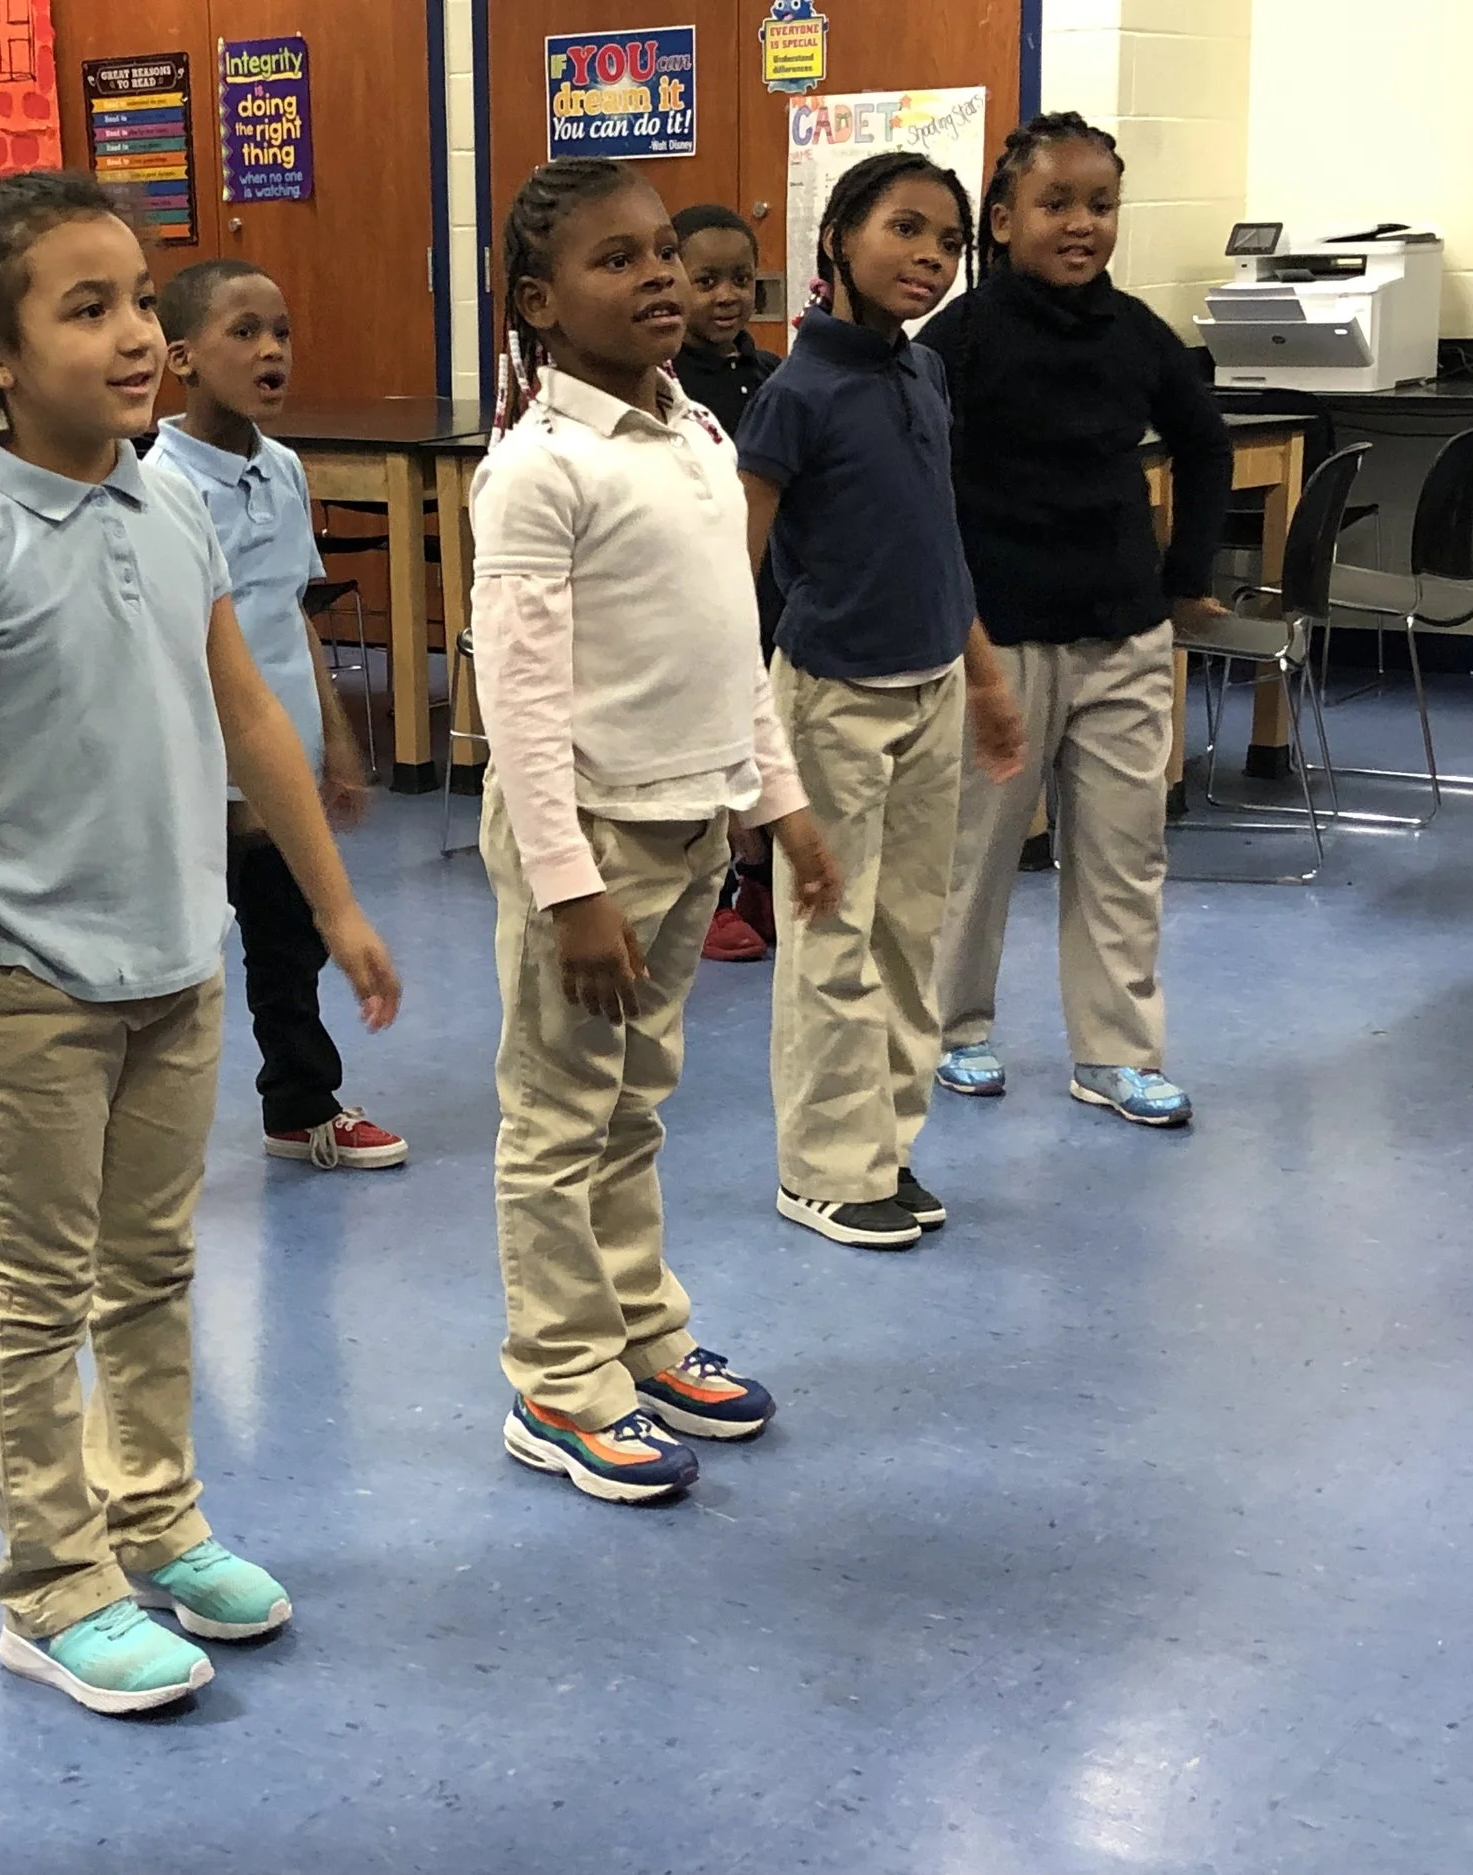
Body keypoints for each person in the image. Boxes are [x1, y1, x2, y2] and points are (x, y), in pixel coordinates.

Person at [0, 170, 400, 1715]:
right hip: (27, 980)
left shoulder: (175, 498)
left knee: (153, 1266)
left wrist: (335, 902)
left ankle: (156, 1518)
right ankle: (51, 1580)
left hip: (178, 960)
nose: (139, 333)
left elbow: (251, 711)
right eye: (90, 309)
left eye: (141, 298)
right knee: (38, 1286)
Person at [473, 158, 840, 1506]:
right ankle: (561, 1381)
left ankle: (641, 1330)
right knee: (560, 1115)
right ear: (538, 301)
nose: (659, 279)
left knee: (634, 1105)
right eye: (616, 260)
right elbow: (513, 701)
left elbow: (732, 646)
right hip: (593, 845)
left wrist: (781, 807)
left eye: (662, 256)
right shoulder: (539, 469)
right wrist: (570, 889)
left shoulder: (695, 437)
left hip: (689, 833)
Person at [921, 112, 1235, 1129]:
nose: (1080, 224)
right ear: (1002, 220)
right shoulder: (956, 340)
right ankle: (951, 1027)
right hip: (996, 639)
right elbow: (915, 477)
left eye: (1099, 204)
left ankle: (1114, 1052)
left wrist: (1184, 574)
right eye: (1055, 203)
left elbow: (1204, 443)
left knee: (1122, 850)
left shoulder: (1136, 330)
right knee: (976, 849)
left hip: (1121, 634)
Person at [738, 152, 1026, 1254]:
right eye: (904, 230)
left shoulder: (922, 377)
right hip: (831, 696)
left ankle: (885, 1147)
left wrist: (986, 675)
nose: (928, 258)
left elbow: (938, 539)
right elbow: (740, 570)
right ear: (835, 241)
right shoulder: (793, 394)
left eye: (948, 242)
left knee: (910, 931)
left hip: (933, 685)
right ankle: (819, 1167)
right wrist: (740, 741)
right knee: (831, 938)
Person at [149, 257, 407, 1171]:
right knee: (175, 963)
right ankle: (132, 1134)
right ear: (180, 357)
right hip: (195, 774)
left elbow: (293, 611)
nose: (272, 350)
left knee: (288, 950)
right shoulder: (154, 484)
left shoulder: (286, 469)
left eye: (283, 332)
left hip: (279, 762)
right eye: (245, 332)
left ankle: (301, 1107)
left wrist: (332, 741)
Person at [670, 202, 784, 965]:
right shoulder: (661, 382)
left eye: (740, 279)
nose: (725, 296)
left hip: (772, 589)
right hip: (692, 595)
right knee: (704, 750)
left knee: (766, 740)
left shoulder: (777, 377)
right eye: (705, 279)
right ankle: (703, 894)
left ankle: (759, 873)